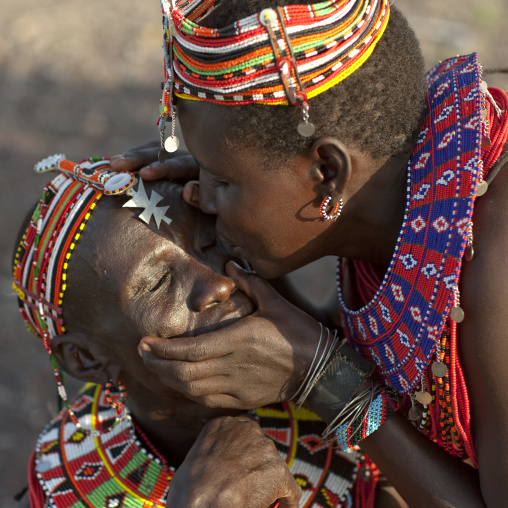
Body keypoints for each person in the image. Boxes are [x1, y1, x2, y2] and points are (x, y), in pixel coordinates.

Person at [110, 0, 508, 506]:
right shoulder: (401, 190)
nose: (197, 195)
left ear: (326, 173)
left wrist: (324, 381)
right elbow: (393, 357)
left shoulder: (496, 275)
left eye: (222, 179)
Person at [12, 156, 367, 507]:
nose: (220, 283)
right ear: (86, 358)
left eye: (211, 242)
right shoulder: (62, 489)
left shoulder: (326, 357)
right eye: (159, 283)